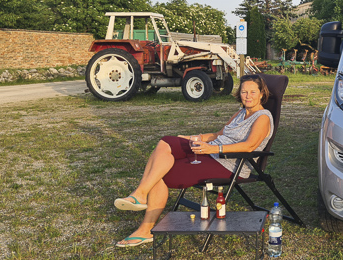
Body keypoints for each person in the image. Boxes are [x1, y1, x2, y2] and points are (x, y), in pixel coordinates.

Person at [113, 74, 273, 247]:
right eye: (244, 92)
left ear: (262, 94)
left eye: (252, 92)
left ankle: (144, 228)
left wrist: (214, 149)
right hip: (210, 153)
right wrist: (192, 138)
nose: (248, 96)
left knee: (161, 174)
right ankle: (140, 195)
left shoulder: (262, 117)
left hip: (229, 164)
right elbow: (219, 135)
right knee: (166, 142)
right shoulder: (240, 113)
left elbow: (249, 146)